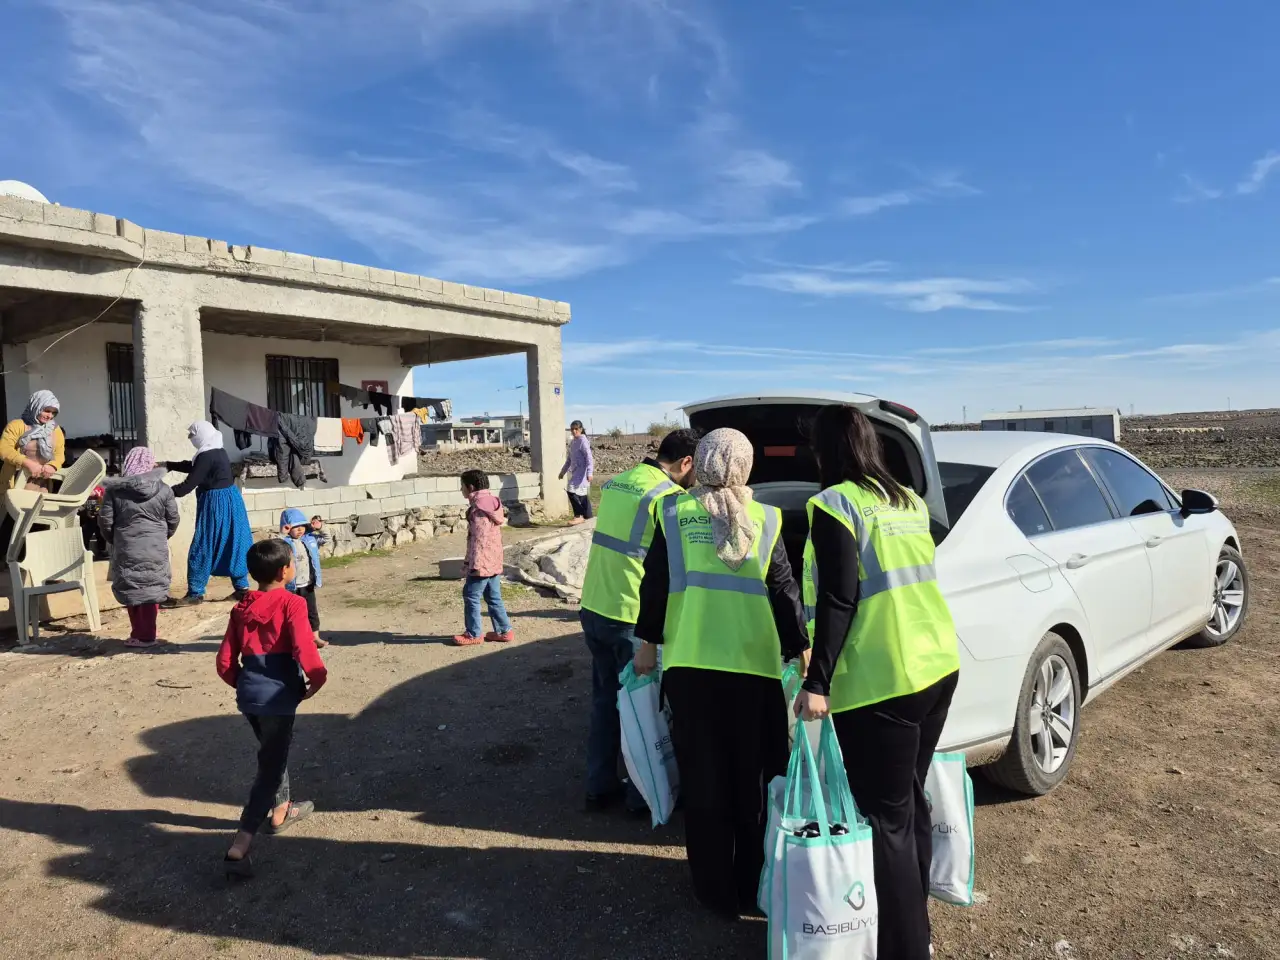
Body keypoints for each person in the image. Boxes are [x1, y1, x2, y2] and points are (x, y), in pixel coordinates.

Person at [794, 404, 960, 960]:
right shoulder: (906, 500)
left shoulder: (834, 504)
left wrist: (817, 682)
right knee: (907, 802)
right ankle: (918, 924)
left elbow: (839, 597)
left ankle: (907, 948)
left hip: (883, 678)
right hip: (936, 665)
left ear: (827, 450)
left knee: (887, 818)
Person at [634, 428, 808, 920]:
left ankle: (713, 891)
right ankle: (754, 882)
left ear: (704, 461)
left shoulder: (673, 512)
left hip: (692, 669)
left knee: (705, 782)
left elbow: (655, 584)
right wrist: (802, 648)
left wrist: (646, 643)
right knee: (754, 781)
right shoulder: (766, 518)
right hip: (754, 671)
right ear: (745, 465)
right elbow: (783, 590)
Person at [578, 427, 700, 815]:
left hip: (594, 606)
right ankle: (642, 796)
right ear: (686, 463)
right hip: (631, 617)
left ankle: (599, 787)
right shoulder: (668, 498)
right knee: (646, 711)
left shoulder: (617, 483)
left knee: (605, 702)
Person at [217, 538, 328, 877]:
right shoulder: (292, 604)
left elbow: (224, 662)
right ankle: (241, 842)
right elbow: (304, 648)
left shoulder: (241, 609)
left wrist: (246, 685)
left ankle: (282, 809)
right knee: (269, 767)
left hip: (251, 698)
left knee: (272, 751)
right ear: (285, 571)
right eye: (293, 561)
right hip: (279, 698)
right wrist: (318, 678)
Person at [97, 446, 180, 648]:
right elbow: (173, 519)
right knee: (151, 590)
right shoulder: (164, 490)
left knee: (132, 588)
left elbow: (105, 521)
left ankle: (140, 634)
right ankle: (148, 634)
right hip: (155, 546)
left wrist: (114, 539)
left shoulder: (114, 491)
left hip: (126, 546)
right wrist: (161, 536)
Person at [163, 421, 253, 606]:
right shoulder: (217, 450)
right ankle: (242, 589)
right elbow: (197, 468)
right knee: (234, 542)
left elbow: (189, 483)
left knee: (203, 544)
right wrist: (169, 465)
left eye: (192, 435)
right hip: (230, 500)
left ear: (201, 435)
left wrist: (162, 493)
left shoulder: (206, 454)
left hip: (215, 504)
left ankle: (195, 593)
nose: (190, 439)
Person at [453, 469, 514, 647]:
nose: (461, 490)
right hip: (494, 559)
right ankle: (504, 631)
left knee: (471, 595)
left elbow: (479, 539)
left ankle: (473, 634)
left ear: (470, 487)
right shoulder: (492, 503)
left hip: (482, 562)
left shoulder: (478, 509)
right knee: (493, 596)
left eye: (462, 486)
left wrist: (474, 564)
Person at [0, 390, 65, 495]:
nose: (50, 416)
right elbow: (4, 450)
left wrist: (53, 465)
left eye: (53, 413)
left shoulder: (55, 429)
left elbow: (59, 453)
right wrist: (27, 463)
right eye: (47, 411)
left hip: (42, 483)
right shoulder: (17, 425)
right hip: (16, 482)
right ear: (36, 406)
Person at [278, 508, 326, 649]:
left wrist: (320, 527)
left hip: (308, 584)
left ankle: (315, 637)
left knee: (311, 612)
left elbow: (327, 538)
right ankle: (291, 640)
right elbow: (273, 546)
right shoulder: (284, 543)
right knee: (290, 614)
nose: (300, 530)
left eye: (302, 526)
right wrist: (282, 533)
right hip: (292, 586)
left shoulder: (310, 539)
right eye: (295, 527)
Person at [559, 420, 594, 524]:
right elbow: (569, 459)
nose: (574, 431)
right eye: (572, 429)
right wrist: (563, 471)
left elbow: (589, 458)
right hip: (576, 472)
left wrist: (590, 473)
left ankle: (578, 515)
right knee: (581, 495)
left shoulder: (583, 441)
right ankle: (588, 517)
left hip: (582, 473)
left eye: (576, 429)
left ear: (581, 429)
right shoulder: (573, 442)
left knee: (572, 490)